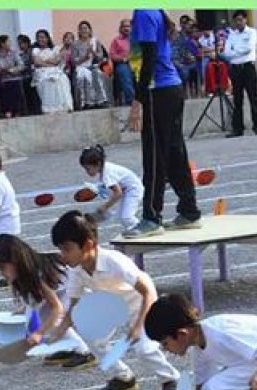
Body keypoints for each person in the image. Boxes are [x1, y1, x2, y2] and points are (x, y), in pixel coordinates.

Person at [47, 210, 178, 390]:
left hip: (139, 303)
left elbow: (148, 292)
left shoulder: (114, 261)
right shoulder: (76, 270)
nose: (63, 255)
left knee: (144, 348)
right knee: (91, 335)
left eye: (67, 249)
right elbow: (74, 306)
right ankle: (123, 378)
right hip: (111, 305)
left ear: (89, 244)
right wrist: (59, 331)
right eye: (60, 249)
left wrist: (137, 326)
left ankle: (170, 379)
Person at [127, 9, 201, 236]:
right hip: (170, 89)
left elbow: (148, 57)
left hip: (157, 91)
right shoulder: (154, 11)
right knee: (174, 152)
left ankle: (151, 217)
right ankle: (189, 211)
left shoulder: (143, 12)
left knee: (154, 155)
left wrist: (138, 100)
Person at [0, 234, 92, 367]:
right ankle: (70, 347)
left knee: (49, 317)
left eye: (2, 268)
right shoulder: (25, 273)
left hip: (81, 289)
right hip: (68, 289)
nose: (1, 273)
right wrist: (23, 310)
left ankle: (84, 352)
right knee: (43, 314)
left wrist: (39, 333)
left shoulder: (37, 275)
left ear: (15, 260)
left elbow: (57, 308)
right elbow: (35, 301)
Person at [79, 144, 143, 233]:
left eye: (88, 168)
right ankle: (133, 230)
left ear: (98, 164)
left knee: (127, 216)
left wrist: (105, 206)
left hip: (133, 189)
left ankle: (141, 230)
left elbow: (118, 193)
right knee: (121, 216)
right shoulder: (104, 170)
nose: (87, 172)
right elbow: (111, 190)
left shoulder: (107, 173)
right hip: (127, 189)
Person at [224, 11, 257, 136]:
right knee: (237, 99)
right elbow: (227, 52)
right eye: (236, 20)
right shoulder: (231, 35)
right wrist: (236, 53)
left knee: (253, 97)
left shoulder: (252, 32)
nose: (238, 23)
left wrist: (235, 52)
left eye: (241, 20)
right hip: (236, 69)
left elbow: (248, 48)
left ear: (246, 20)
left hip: (248, 67)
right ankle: (238, 129)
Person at [32, 30, 74, 113]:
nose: (41, 39)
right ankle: (50, 108)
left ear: (47, 38)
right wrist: (49, 63)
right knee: (47, 80)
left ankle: (63, 106)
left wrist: (44, 61)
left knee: (61, 79)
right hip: (41, 71)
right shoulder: (35, 50)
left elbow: (56, 61)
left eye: (43, 37)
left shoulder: (55, 49)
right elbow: (37, 62)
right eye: (39, 37)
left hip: (55, 70)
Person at [72, 21, 112, 109]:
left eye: (86, 28)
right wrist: (85, 56)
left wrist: (93, 53)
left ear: (90, 30)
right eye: (82, 29)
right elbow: (74, 61)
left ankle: (101, 101)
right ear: (79, 31)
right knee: (83, 76)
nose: (84, 30)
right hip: (81, 66)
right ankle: (86, 103)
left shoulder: (95, 41)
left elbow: (101, 57)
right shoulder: (75, 44)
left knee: (96, 73)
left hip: (94, 65)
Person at [0, 35, 25, 118]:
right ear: (2, 44)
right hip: (1, 78)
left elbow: (21, 65)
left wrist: (13, 70)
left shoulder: (13, 52)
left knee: (15, 85)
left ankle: (17, 111)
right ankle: (7, 111)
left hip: (14, 76)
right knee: (5, 86)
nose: (10, 44)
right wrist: (0, 70)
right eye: (8, 42)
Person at [109, 19, 136, 105]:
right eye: (124, 26)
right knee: (124, 72)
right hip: (122, 63)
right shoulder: (116, 41)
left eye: (128, 26)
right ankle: (131, 100)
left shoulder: (136, 39)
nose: (126, 28)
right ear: (120, 28)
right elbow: (112, 55)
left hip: (136, 63)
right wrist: (123, 59)